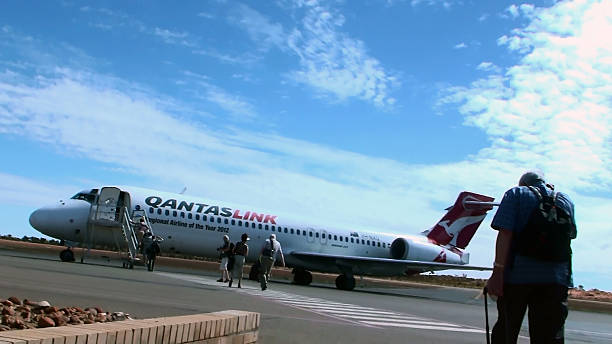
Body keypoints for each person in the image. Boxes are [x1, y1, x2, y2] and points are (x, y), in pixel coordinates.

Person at [486, 171, 576, 343]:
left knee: (506, 330)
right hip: (555, 279)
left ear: (523, 183)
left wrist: (497, 274)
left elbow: (505, 233)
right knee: (548, 335)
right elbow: (571, 235)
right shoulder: (566, 200)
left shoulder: (516, 194)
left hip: (517, 277)